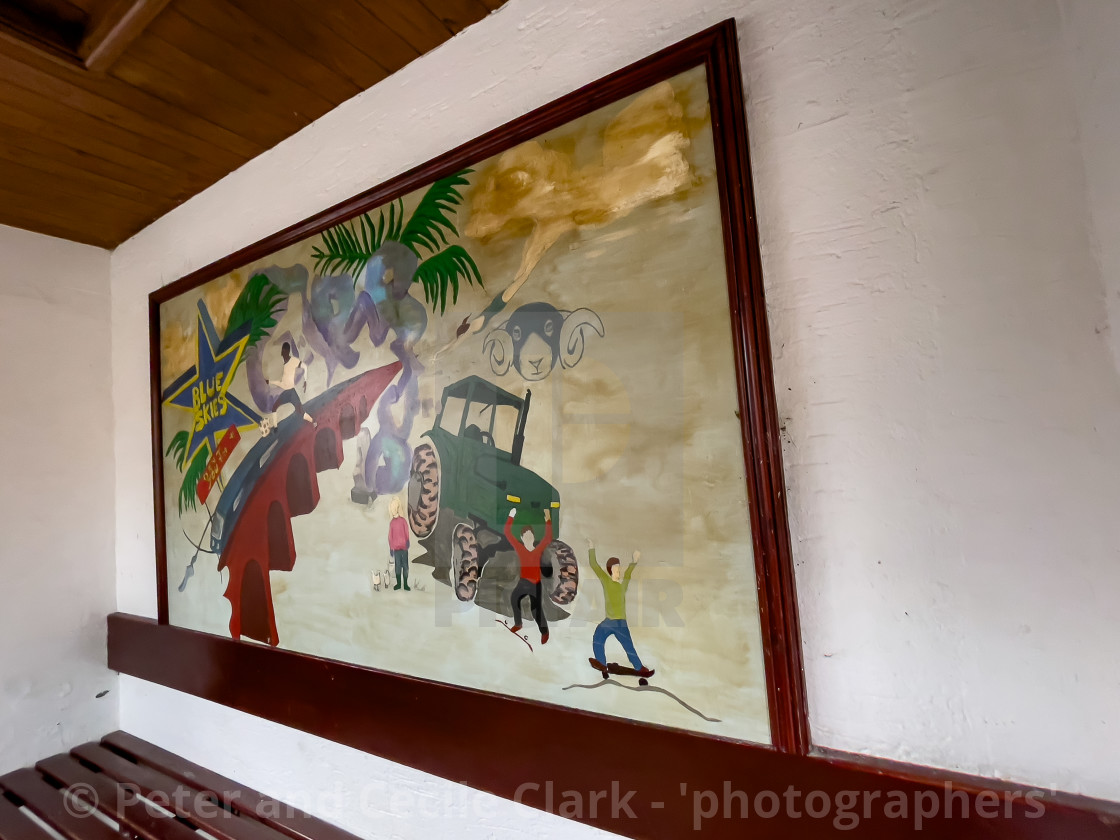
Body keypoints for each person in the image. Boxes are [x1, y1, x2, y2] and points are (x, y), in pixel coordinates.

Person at [588, 538, 653, 678]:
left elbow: (628, 574)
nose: (618, 571)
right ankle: (601, 663)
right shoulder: (606, 581)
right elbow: (594, 565)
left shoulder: (622, 586)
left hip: (620, 623)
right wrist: (591, 547)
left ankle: (639, 668)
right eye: (616, 568)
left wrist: (634, 560)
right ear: (610, 570)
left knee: (629, 647)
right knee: (598, 637)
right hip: (609, 621)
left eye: (619, 568)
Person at [505, 507, 553, 644]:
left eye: (530, 535)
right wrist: (511, 515)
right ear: (522, 538)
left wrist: (548, 519)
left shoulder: (538, 549)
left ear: (533, 537)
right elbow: (507, 533)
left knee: (536, 611)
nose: (528, 538)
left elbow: (548, 537)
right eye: (525, 536)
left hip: (535, 585)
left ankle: (545, 632)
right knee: (514, 598)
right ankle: (518, 624)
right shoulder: (520, 548)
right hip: (523, 583)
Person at [265, 342, 315, 426]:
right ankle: (275, 427)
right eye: (282, 351)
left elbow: (305, 366)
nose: (282, 353)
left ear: (286, 351)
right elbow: (282, 383)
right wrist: (270, 382)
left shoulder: (293, 361)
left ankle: (313, 422)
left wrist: (305, 381)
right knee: (274, 408)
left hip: (291, 393)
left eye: (283, 351)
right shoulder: (285, 365)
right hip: (286, 393)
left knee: (300, 411)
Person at [388, 497, 410, 591]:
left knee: (405, 566)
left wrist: (408, 541)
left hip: (404, 548)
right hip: (396, 549)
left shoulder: (403, 521)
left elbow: (406, 532)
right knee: (398, 567)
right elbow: (390, 537)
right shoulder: (392, 523)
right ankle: (399, 584)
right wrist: (391, 548)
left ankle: (405, 584)